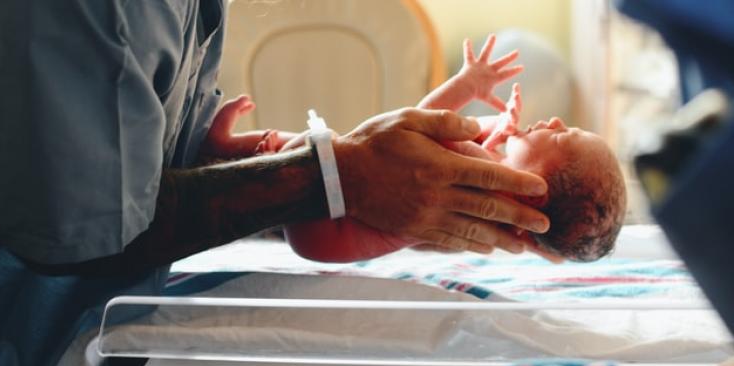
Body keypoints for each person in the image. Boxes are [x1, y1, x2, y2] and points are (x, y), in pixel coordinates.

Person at [0, 3, 551, 366]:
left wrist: (198, 157)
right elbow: (88, 228)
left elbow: (110, 165)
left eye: (561, 140)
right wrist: (332, 173)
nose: (549, 124)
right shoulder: (92, 14)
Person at [213, 41, 626, 263]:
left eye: (560, 137)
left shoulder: (479, 175)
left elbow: (416, 126)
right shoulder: (494, 206)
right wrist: (501, 133)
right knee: (306, 147)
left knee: (305, 145)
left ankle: (226, 149)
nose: (553, 122)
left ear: (533, 194)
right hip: (327, 238)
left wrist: (468, 86)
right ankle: (231, 152)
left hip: (330, 223)